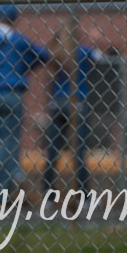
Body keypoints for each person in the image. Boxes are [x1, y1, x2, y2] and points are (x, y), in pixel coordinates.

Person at [0, 5, 50, 193]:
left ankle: (12, 177)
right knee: (9, 141)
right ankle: (5, 186)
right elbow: (43, 55)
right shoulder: (18, 41)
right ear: (15, 19)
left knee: (3, 140)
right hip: (12, 93)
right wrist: (23, 67)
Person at [43, 25, 103, 197]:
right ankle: (84, 196)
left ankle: (48, 194)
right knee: (79, 152)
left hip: (57, 103)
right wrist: (95, 41)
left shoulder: (55, 53)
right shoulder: (83, 52)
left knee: (52, 152)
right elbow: (100, 57)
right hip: (78, 102)